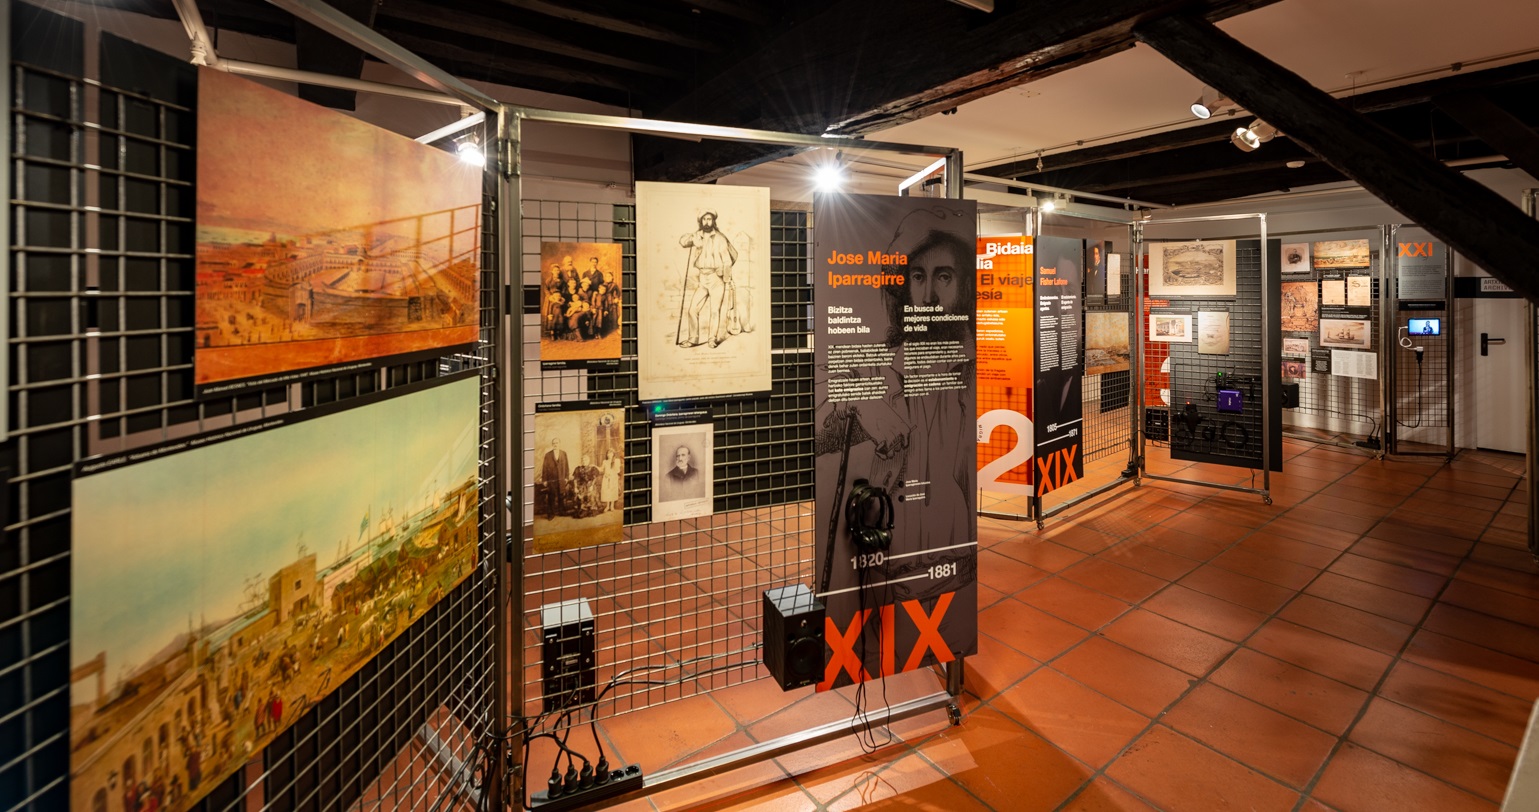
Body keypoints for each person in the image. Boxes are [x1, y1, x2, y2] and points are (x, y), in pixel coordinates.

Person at [678, 212, 741, 347]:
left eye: (709, 219)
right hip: (702, 278)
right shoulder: (698, 236)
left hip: (716, 278)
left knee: (714, 311)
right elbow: (683, 242)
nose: (707, 222)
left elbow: (727, 261)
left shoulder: (720, 238)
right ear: (700, 221)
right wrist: (692, 237)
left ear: (713, 221)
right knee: (692, 309)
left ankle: (712, 339)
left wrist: (726, 278)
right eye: (704, 219)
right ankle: (693, 339)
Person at [536, 438, 570, 520]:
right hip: (552, 480)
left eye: (557, 443)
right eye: (554, 443)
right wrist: (544, 480)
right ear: (552, 444)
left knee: (561, 496)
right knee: (551, 496)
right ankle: (551, 514)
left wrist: (566, 477)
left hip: (561, 479)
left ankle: (561, 511)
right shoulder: (548, 455)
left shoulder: (564, 454)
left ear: (559, 444)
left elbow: (566, 466)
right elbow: (544, 468)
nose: (555, 444)